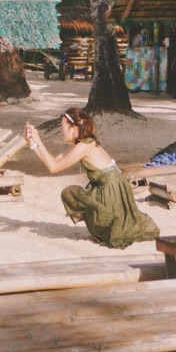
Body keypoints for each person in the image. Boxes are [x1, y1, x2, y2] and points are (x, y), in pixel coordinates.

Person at [24, 106, 160, 248]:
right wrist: (33, 143)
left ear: (74, 128)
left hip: (111, 191)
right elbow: (52, 161)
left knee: (70, 193)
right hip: (111, 187)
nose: (61, 130)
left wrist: (38, 140)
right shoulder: (84, 143)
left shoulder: (83, 147)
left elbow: (54, 167)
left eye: (63, 126)